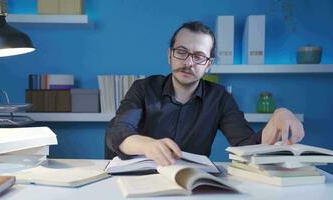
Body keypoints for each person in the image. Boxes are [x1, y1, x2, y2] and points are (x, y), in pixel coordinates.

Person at [105, 21, 305, 166]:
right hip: (138, 179)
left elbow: (246, 145)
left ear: (209, 65)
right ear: (169, 55)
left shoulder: (220, 98)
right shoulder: (143, 88)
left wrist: (280, 115)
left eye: (199, 56)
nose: (188, 62)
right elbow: (118, 131)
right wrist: (147, 145)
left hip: (191, 184)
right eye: (181, 52)